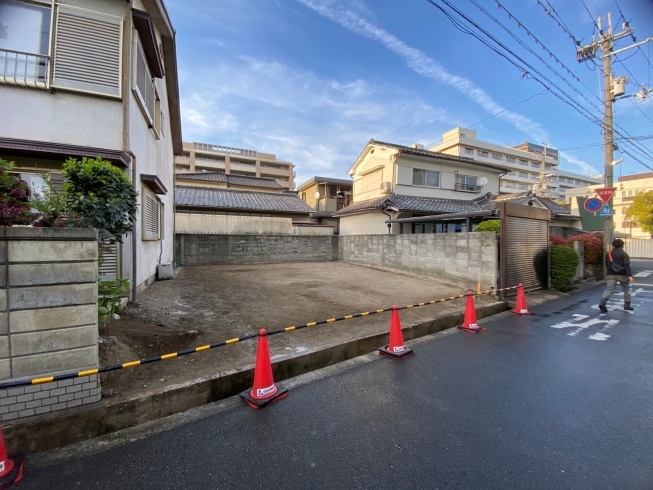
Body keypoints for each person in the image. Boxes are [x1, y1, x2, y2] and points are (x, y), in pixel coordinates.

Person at [599, 238, 635, 313]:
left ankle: (603, 302)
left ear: (613, 245)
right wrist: (630, 276)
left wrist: (609, 271)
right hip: (623, 275)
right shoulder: (624, 254)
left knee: (609, 289)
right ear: (622, 245)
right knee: (626, 289)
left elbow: (607, 264)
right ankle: (627, 305)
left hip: (611, 274)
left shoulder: (608, 253)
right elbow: (627, 265)